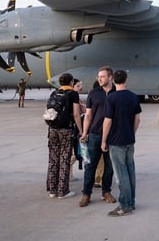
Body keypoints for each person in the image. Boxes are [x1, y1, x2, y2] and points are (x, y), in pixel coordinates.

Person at [102, 70, 142, 217]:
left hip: (115, 140)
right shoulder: (133, 97)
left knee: (121, 174)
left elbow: (107, 122)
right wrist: (132, 133)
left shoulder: (111, 98)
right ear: (126, 80)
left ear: (113, 80)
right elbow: (137, 119)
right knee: (130, 170)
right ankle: (131, 202)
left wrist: (104, 140)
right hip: (129, 139)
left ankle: (125, 205)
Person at [79, 67, 117, 207]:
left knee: (109, 166)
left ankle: (106, 192)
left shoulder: (116, 93)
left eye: (102, 76)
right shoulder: (94, 94)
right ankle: (86, 194)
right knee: (90, 165)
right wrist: (84, 132)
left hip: (112, 136)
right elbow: (88, 115)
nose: (99, 79)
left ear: (110, 77)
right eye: (98, 76)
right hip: (95, 135)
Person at [47, 73, 82, 199]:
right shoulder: (73, 94)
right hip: (66, 130)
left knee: (53, 158)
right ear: (71, 82)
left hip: (52, 129)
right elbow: (76, 114)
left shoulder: (54, 93)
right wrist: (81, 130)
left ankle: (52, 189)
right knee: (64, 159)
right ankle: (63, 190)